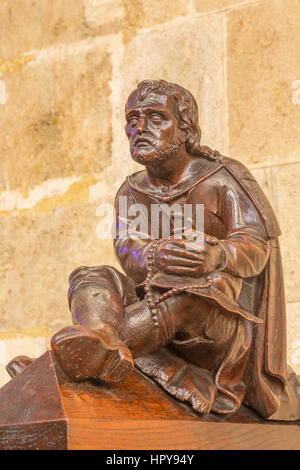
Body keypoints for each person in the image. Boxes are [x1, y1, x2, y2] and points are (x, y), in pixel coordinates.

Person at [13, 80, 300, 420]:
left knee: (186, 298)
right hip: (151, 308)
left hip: (216, 324)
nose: (140, 128)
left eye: (156, 117)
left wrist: (217, 256)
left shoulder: (223, 178)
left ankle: (62, 369)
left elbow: (256, 243)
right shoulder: (131, 190)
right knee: (92, 276)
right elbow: (128, 248)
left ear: (186, 127)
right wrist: (155, 256)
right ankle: (104, 340)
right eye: (132, 119)